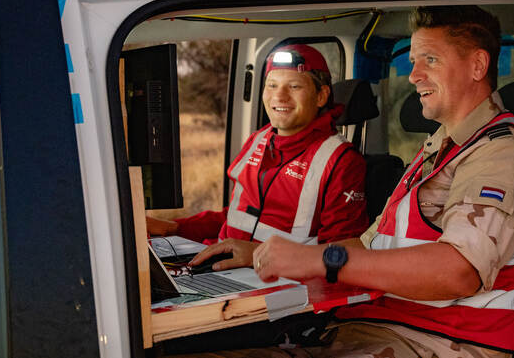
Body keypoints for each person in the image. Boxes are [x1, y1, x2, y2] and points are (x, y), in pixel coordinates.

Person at [237, 6, 514, 358]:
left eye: (430, 59)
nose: (413, 75)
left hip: (437, 344)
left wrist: (324, 260)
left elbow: (459, 272)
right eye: (412, 61)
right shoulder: (443, 147)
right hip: (375, 330)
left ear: (477, 66)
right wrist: (264, 255)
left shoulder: (502, 155)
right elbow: (370, 246)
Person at [147, 43, 369, 271]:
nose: (279, 96)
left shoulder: (341, 161)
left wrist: (257, 255)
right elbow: (237, 216)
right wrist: (173, 228)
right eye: (272, 85)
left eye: (293, 86)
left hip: (282, 287)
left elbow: (345, 256)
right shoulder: (259, 140)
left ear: (321, 96)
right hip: (223, 269)